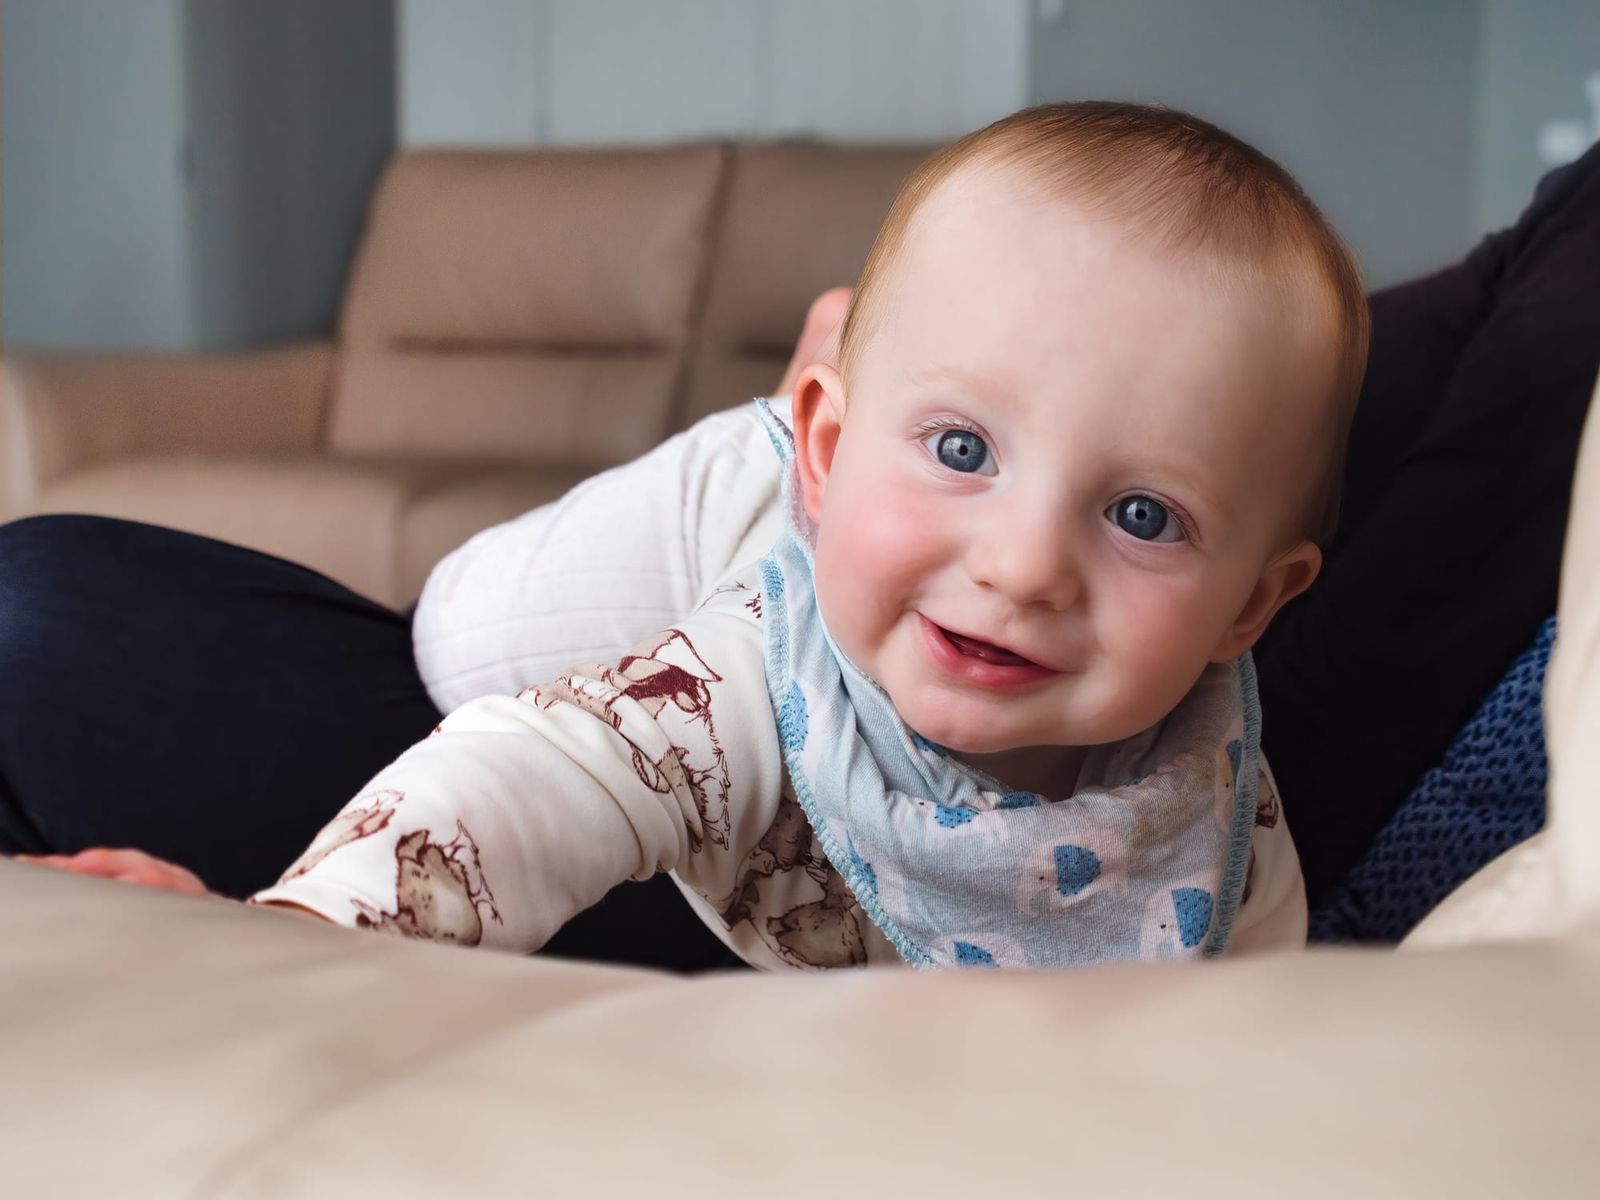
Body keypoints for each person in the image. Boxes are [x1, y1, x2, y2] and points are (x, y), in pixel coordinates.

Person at [19, 102, 1368, 969]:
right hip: (540, 701)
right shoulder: (754, 669)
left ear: (1252, 606)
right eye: (962, 452)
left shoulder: (1212, 800)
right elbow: (532, 782)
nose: (1021, 567)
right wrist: (305, 941)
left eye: (1143, 517)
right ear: (832, 451)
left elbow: (1251, 1029)